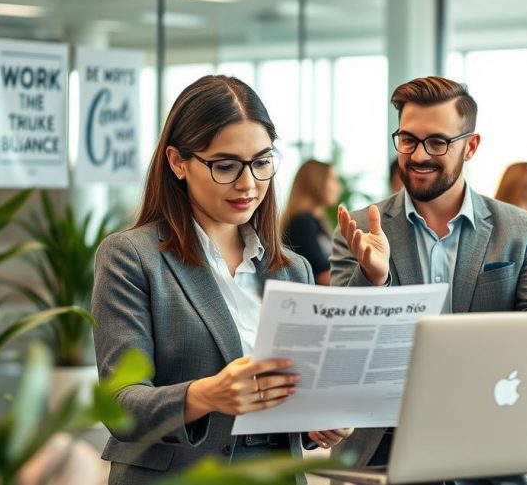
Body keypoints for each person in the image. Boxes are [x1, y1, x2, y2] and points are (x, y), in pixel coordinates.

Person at [91, 76, 350, 484]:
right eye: (225, 166)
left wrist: (318, 425)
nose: (247, 184)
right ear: (178, 162)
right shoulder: (132, 257)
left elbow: (297, 397)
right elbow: (120, 405)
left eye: (262, 162)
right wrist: (206, 394)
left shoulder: (291, 269)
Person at [330, 76, 527, 481]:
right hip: (385, 448)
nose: (418, 155)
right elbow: (343, 352)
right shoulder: (361, 229)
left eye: (437, 142)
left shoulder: (518, 229)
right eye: (408, 140)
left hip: (492, 442)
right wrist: (374, 283)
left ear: (471, 146)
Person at [282, 159, 342, 285]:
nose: (339, 187)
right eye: (333, 179)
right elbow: (319, 275)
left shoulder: (315, 222)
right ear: (317, 182)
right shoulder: (302, 223)